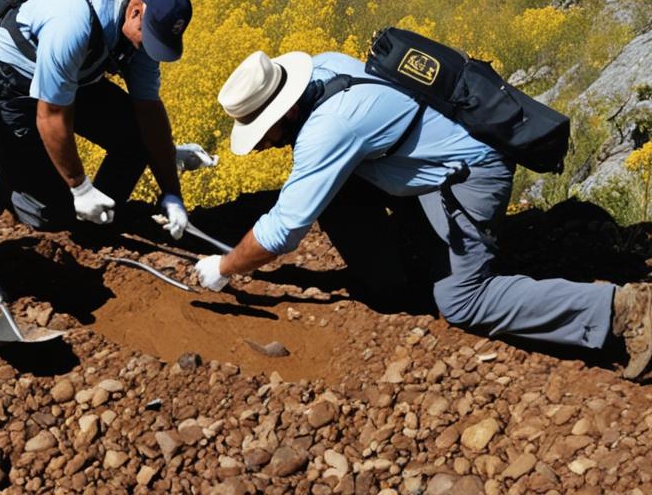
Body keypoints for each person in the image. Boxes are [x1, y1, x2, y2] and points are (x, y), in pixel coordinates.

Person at [194, 49, 652, 380]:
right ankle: (400, 277)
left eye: (263, 130)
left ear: (286, 108)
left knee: (463, 301)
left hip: (471, 174)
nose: (262, 143)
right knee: (332, 190)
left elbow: (284, 229)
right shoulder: (325, 65)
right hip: (442, 158)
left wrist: (224, 267)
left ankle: (620, 311)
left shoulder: (328, 128)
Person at [0, 0, 194, 238]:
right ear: (135, 11)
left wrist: (172, 194)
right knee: (50, 213)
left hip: (76, 73)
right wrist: (80, 188)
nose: (148, 49)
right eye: (149, 38)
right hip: (18, 74)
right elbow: (51, 115)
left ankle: (94, 226)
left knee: (136, 140)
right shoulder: (71, 23)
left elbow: (148, 111)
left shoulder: (141, 33)